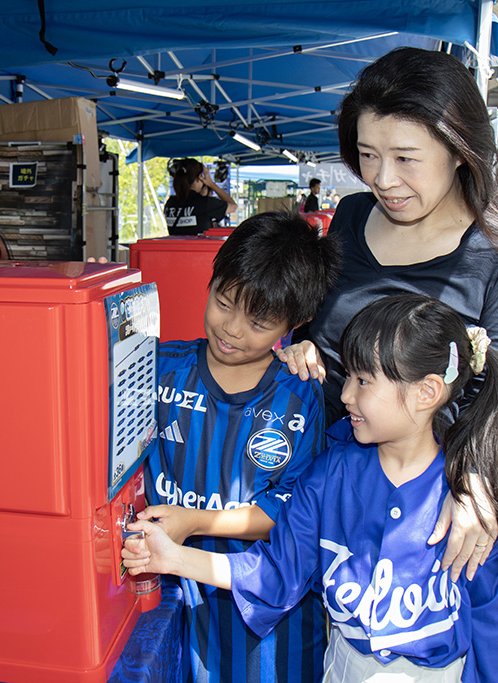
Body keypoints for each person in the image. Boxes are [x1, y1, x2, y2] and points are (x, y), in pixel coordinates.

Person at [125, 293, 498, 683]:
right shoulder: (329, 475)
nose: (344, 394)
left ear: (427, 392)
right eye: (347, 376)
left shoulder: (468, 502)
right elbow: (273, 572)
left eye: (363, 381)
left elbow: (488, 616)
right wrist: (175, 557)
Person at [275, 47, 498, 579]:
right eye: (367, 155)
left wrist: (475, 485)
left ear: (460, 150)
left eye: (406, 158)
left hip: (416, 512)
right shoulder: (351, 217)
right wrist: (298, 344)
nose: (383, 179)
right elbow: (312, 326)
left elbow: (492, 397)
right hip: (315, 482)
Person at [145, 211, 341, 683]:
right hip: (176, 600)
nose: (232, 329)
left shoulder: (298, 395)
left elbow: (289, 510)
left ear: (297, 322)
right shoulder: (159, 369)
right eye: (224, 301)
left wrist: (195, 521)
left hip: (269, 624)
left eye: (259, 321)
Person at [164, 157, 238, 235]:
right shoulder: (204, 203)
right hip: (198, 247)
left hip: (173, 247)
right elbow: (233, 206)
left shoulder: (170, 203)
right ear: (199, 178)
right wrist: (211, 183)